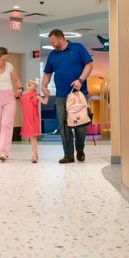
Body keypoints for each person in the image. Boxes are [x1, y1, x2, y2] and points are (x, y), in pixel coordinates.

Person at [41, 29, 93, 164]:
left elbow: (89, 64)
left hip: (78, 94)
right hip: (60, 95)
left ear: (61, 38)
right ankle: (68, 155)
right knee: (64, 126)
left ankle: (80, 150)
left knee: (80, 124)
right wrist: (44, 86)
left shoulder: (77, 48)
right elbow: (47, 73)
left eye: (53, 42)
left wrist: (80, 80)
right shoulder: (53, 55)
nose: (52, 45)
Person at [20, 79, 48, 163]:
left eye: (32, 83)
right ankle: (35, 154)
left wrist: (46, 95)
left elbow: (45, 102)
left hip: (33, 119)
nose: (29, 83)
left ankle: (34, 155)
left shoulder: (35, 95)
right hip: (26, 119)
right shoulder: (23, 95)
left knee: (32, 138)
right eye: (29, 82)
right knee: (31, 137)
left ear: (35, 87)